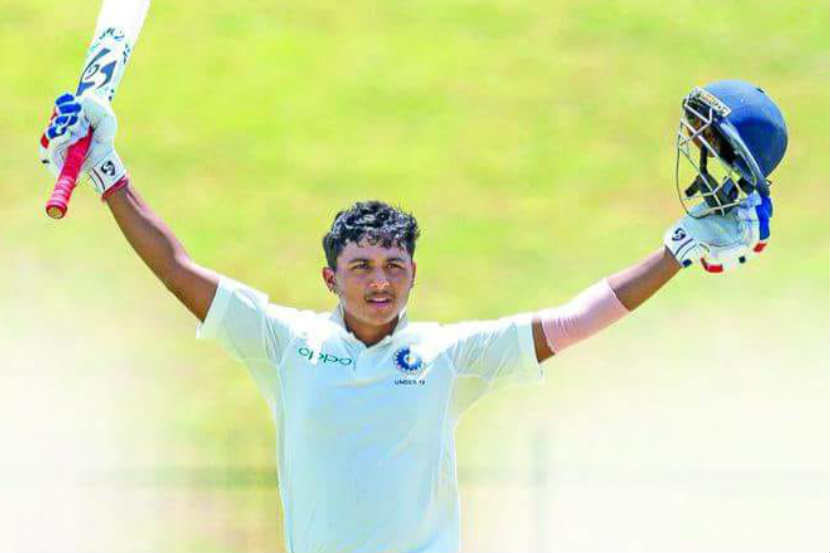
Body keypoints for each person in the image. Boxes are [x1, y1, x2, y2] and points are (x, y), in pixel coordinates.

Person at [39, 79, 785, 552]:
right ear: (330, 277)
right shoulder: (284, 342)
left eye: (394, 267)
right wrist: (108, 171)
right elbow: (178, 269)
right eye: (362, 267)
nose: (379, 281)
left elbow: (576, 319)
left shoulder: (448, 355)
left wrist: (676, 249)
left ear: (414, 275)